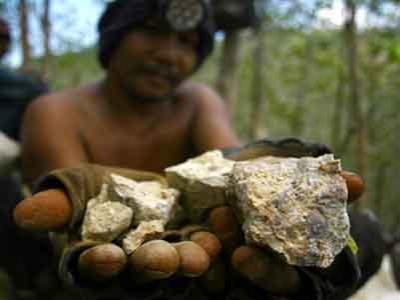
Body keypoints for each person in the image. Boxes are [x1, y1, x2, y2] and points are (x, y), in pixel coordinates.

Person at [12, 1, 364, 299]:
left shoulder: (196, 102)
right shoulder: (56, 111)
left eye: (186, 42)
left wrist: (268, 177)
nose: (168, 54)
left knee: (363, 232)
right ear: (114, 38)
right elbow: (70, 226)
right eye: (151, 31)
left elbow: (228, 161)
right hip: (95, 274)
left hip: (203, 249)